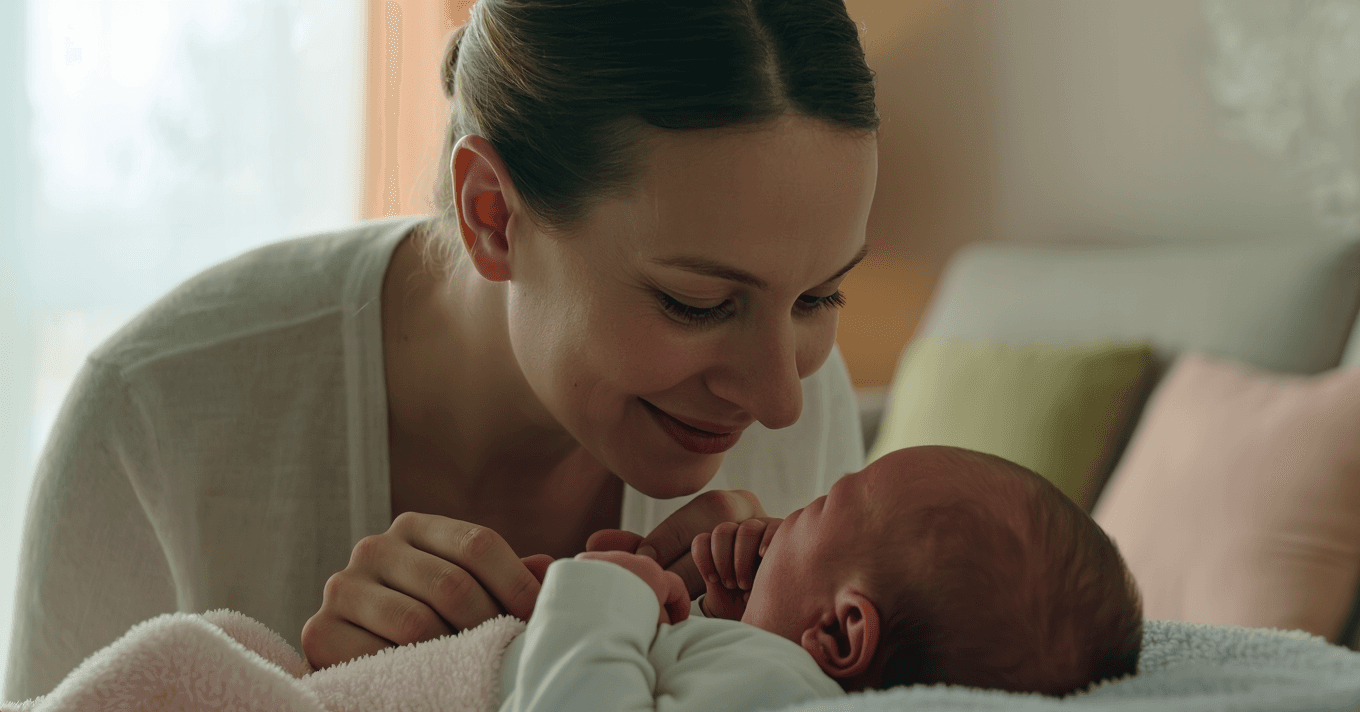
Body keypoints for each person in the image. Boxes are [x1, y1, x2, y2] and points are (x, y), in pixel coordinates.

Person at [3, 0, 879, 701]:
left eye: (819, 295)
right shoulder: (152, 418)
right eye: (697, 302)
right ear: (493, 215)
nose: (779, 400)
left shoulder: (807, 405)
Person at [500, 445, 1144, 711]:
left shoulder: (776, 684)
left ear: (840, 630)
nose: (790, 514)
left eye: (826, 504)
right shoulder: (773, 673)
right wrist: (723, 622)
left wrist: (606, 593)